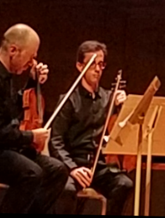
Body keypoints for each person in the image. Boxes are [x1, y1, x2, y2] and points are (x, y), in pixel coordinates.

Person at [0, 23, 69, 214]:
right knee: (31, 173)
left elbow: (14, 110)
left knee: (57, 170)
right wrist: (31, 137)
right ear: (13, 50)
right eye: (31, 56)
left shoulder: (3, 77)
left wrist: (32, 81)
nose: (33, 62)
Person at [50, 40, 133, 215]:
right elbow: (56, 141)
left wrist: (124, 108)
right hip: (73, 164)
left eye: (101, 64)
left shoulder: (108, 98)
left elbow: (122, 133)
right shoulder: (68, 100)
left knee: (124, 184)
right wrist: (72, 168)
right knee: (67, 191)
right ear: (80, 66)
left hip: (98, 166)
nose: (97, 69)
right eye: (92, 64)